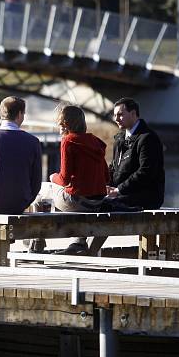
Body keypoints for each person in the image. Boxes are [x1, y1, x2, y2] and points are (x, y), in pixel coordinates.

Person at [48, 104, 109, 255]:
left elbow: (63, 179)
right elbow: (107, 177)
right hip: (98, 202)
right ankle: (79, 242)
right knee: (63, 190)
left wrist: (52, 177)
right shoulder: (95, 141)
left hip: (79, 202)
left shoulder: (68, 141)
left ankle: (36, 243)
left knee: (45, 188)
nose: (59, 127)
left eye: (60, 124)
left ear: (65, 124)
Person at [107, 97, 165, 210]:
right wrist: (106, 186)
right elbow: (114, 168)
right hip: (123, 194)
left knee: (104, 205)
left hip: (146, 198)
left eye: (120, 114)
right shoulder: (119, 139)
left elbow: (146, 172)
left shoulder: (148, 138)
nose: (116, 119)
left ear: (133, 114)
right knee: (93, 201)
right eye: (115, 115)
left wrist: (118, 190)